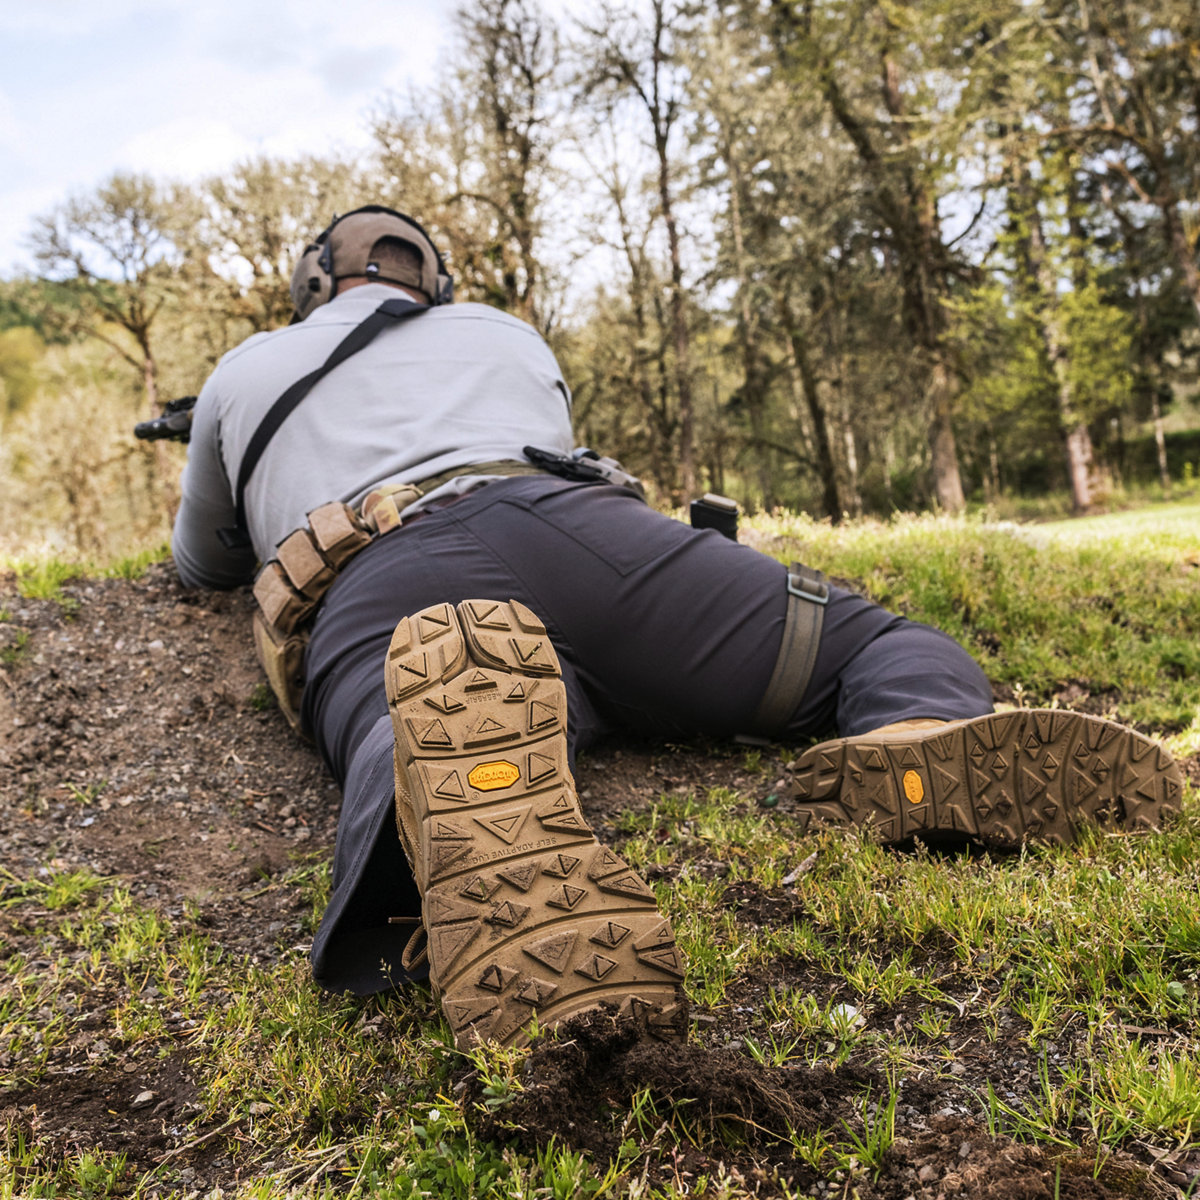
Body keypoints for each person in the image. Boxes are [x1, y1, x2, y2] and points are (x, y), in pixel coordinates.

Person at [172, 206, 1184, 1049]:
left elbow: (204, 563)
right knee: (872, 645)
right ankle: (910, 728)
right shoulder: (504, 333)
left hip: (383, 567)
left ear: (313, 283)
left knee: (417, 714)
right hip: (592, 540)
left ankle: (441, 811)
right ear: (431, 280)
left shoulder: (249, 366)